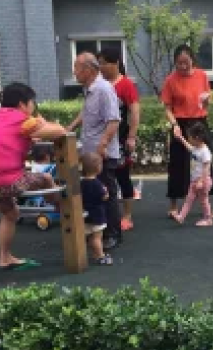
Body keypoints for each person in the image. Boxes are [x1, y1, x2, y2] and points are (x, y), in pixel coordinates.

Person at [0, 82, 68, 271]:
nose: (33, 106)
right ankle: (62, 209)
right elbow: (60, 131)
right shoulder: (23, 120)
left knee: (11, 213)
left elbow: (9, 137)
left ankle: (4, 257)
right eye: (32, 102)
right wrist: (41, 122)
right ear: (23, 104)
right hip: (6, 182)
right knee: (46, 179)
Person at [71, 52, 123, 250]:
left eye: (77, 68)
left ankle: (113, 234)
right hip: (90, 154)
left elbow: (114, 120)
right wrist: (69, 129)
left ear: (88, 70)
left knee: (106, 194)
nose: (74, 72)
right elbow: (85, 113)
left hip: (102, 155)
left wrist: (102, 145)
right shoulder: (90, 90)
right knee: (94, 195)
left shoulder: (104, 89)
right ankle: (98, 233)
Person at [161, 44, 213, 219]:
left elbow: (207, 102)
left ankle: (206, 205)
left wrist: (206, 100)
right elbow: (167, 108)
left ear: (192, 59)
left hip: (199, 123)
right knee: (177, 163)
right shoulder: (170, 80)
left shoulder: (202, 75)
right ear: (175, 63)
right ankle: (173, 206)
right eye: (179, 63)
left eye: (186, 62)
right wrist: (174, 124)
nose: (183, 66)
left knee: (205, 161)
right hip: (180, 123)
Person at [97, 48, 140, 231]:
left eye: (104, 63)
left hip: (120, 138)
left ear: (115, 63)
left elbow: (135, 112)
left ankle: (127, 215)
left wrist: (131, 137)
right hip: (101, 138)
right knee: (103, 177)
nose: (101, 67)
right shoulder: (98, 84)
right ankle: (106, 213)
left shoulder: (126, 85)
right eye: (99, 63)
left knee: (122, 176)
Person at [171, 122, 213, 227]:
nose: (189, 139)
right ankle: (181, 217)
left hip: (203, 181)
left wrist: (201, 181)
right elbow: (189, 147)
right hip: (194, 181)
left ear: (197, 138)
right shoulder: (196, 148)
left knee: (204, 200)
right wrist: (181, 138)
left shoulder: (205, 152)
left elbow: (206, 168)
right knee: (188, 200)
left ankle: (208, 219)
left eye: (190, 137)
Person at [80, 152, 113, 265]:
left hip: (85, 213)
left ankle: (94, 254)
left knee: (89, 236)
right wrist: (106, 192)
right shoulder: (97, 184)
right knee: (97, 237)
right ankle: (100, 256)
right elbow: (104, 197)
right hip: (97, 215)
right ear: (98, 168)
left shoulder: (81, 183)